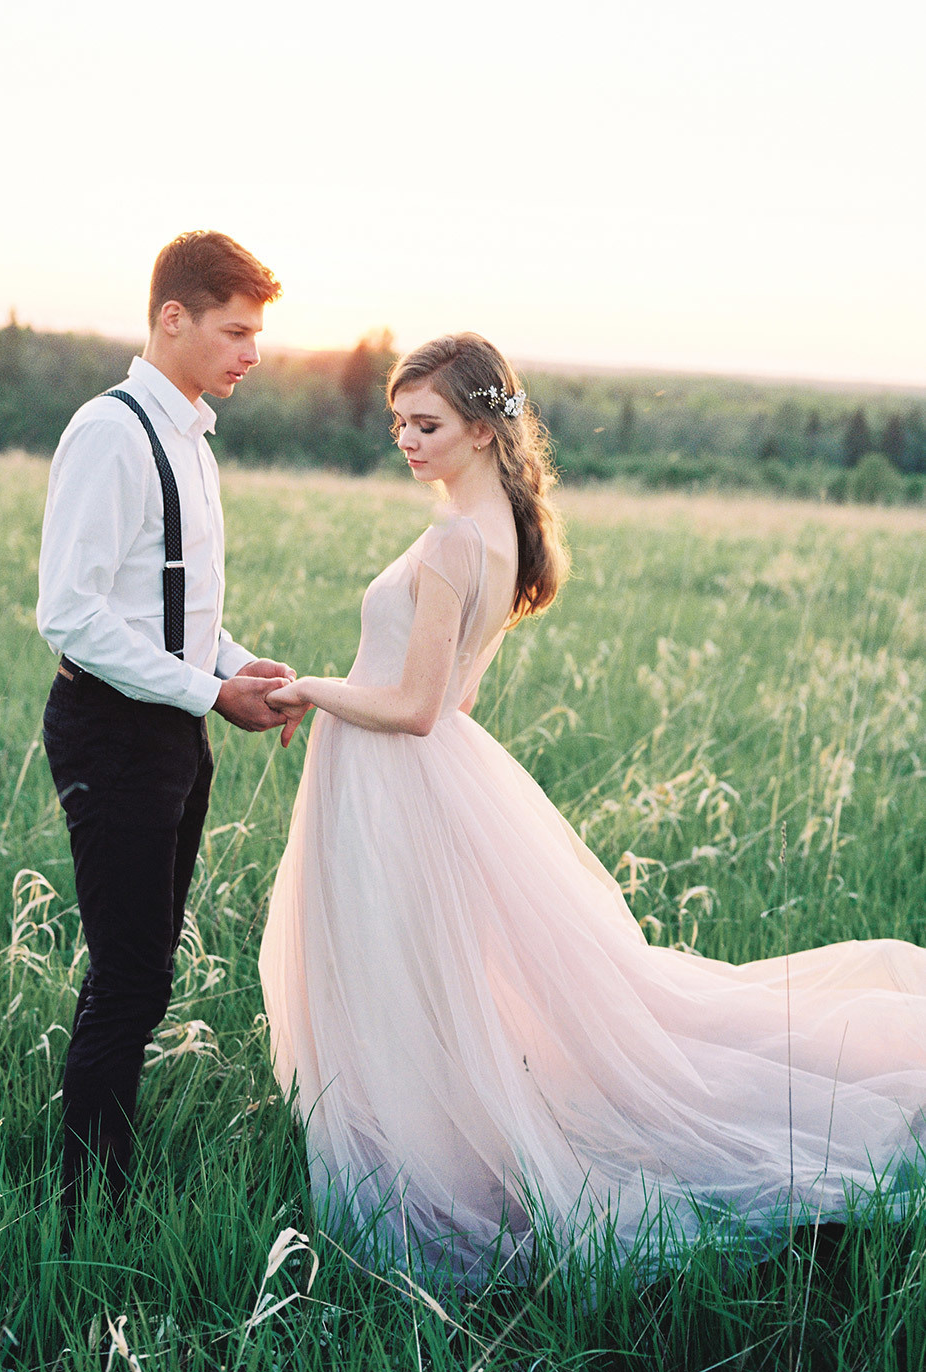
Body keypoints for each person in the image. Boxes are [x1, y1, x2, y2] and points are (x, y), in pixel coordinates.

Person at [259, 332, 926, 1285]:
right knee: (436, 983)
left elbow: (412, 709)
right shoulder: (502, 532)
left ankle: (431, 1183)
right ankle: (451, 1148)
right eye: (398, 421)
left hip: (396, 780)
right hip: (427, 781)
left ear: (486, 429)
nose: (406, 439)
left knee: (406, 983)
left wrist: (315, 688)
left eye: (428, 422)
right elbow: (457, 697)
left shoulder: (454, 540)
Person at [37, 230, 304, 1227]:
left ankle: (112, 1173)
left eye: (258, 334)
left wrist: (236, 665)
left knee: (145, 970)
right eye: (236, 330)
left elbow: (168, 603)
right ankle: (82, 1204)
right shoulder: (111, 432)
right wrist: (208, 694)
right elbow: (70, 611)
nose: (252, 353)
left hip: (169, 732)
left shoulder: (188, 435)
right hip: (112, 731)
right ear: (171, 318)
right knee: (129, 974)